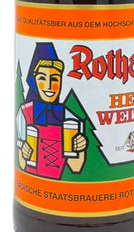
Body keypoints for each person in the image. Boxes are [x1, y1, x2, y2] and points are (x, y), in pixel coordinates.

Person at [16, 42, 87, 178]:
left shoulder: (69, 118)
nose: (49, 86)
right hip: (32, 184)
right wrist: (24, 152)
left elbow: (76, 167)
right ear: (34, 81)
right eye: (42, 78)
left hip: (58, 182)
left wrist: (80, 149)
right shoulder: (24, 113)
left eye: (54, 79)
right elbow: (22, 163)